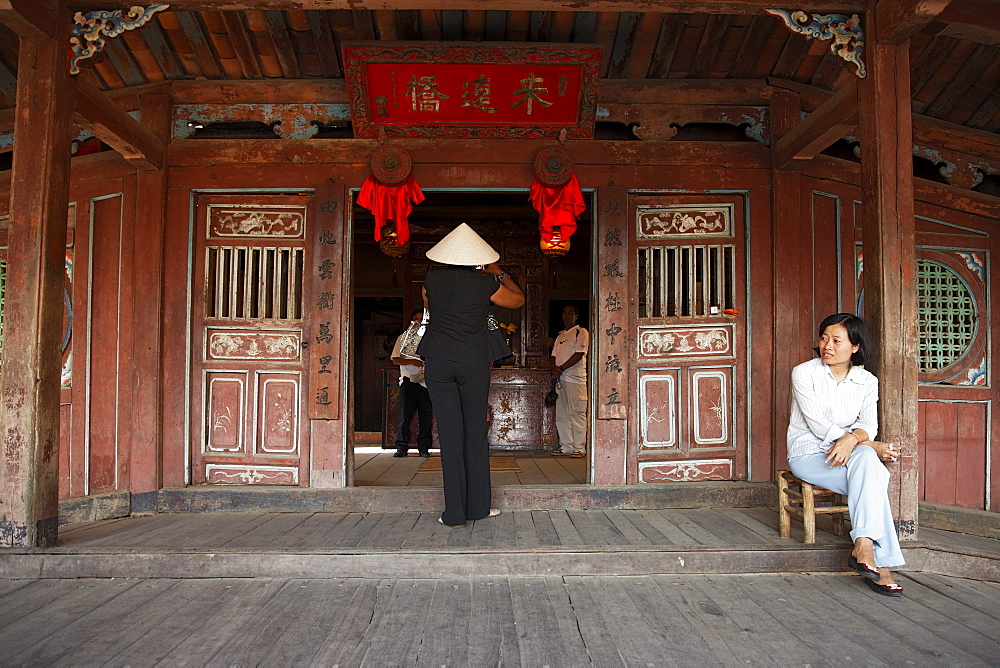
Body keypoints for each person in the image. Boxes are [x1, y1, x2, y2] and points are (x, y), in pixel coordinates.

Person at [786, 312, 905, 596]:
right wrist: (865, 444)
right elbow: (816, 423)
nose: (827, 345)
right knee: (872, 474)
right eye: (824, 338)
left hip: (851, 456)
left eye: (836, 340)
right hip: (809, 455)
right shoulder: (804, 373)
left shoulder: (867, 381)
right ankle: (881, 565)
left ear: (855, 346)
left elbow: (868, 425)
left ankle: (864, 547)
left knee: (867, 465)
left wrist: (854, 441)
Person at [416, 223, 525, 527]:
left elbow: (429, 306)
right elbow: (517, 300)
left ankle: (453, 513)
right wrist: (497, 270)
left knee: (450, 437)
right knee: (474, 432)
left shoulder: (431, 281)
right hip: (473, 362)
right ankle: (478, 507)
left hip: (438, 362)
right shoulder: (485, 284)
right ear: (475, 257)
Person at [389, 308, 433, 458]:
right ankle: (401, 446)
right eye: (416, 319)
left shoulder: (431, 339)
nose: (418, 322)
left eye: (422, 319)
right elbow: (395, 359)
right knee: (404, 416)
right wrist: (413, 361)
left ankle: (424, 447)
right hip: (408, 382)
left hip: (427, 383)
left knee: (426, 417)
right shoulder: (403, 338)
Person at [550, 305, 589, 458]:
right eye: (564, 312)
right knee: (562, 414)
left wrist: (561, 368)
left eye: (570, 313)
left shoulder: (581, 332)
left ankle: (579, 447)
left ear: (576, 316)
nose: (567, 315)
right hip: (561, 379)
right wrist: (555, 368)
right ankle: (566, 446)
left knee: (577, 413)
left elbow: (579, 354)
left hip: (575, 379)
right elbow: (553, 355)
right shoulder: (560, 335)